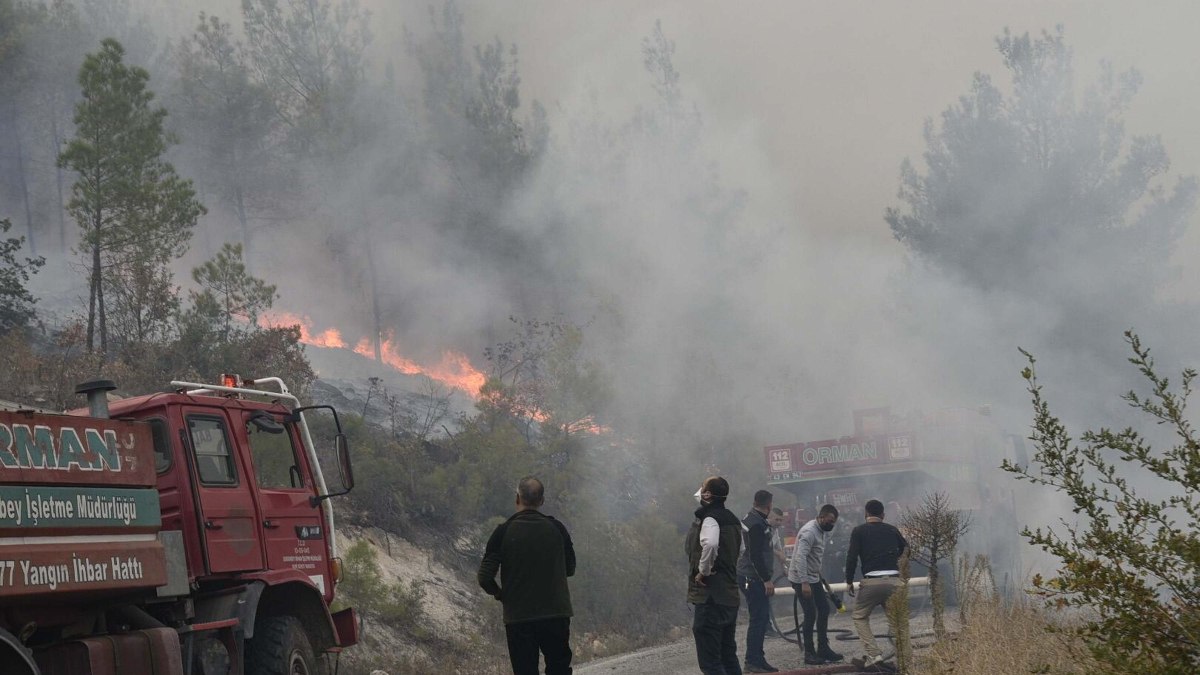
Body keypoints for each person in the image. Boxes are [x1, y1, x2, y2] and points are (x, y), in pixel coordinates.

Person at [478, 476, 576, 675]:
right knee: (559, 669)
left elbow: (484, 578)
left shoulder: (503, 532)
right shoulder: (557, 529)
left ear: (517, 499)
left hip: (519, 619)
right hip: (556, 614)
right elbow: (570, 569)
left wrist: (499, 594)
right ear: (541, 501)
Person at [686, 476, 744, 675]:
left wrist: (704, 571)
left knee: (711, 662)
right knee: (728, 656)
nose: (700, 490)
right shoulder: (733, 520)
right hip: (729, 596)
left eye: (702, 488)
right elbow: (741, 550)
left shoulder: (710, 519)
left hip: (711, 598)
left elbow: (710, 544)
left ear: (708, 494)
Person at [845, 499, 907, 673]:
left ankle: (874, 655)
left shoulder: (858, 531)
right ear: (883, 515)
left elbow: (851, 557)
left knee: (859, 616)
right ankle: (904, 657)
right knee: (897, 620)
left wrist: (849, 580)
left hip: (871, 582)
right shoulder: (892, 529)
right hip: (894, 581)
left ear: (865, 514)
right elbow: (905, 548)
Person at [787, 504, 842, 665]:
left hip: (813, 577)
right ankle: (809, 654)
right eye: (829, 521)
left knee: (824, 609)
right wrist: (804, 582)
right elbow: (800, 558)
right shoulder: (809, 532)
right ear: (821, 517)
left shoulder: (822, 531)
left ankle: (823, 648)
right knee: (810, 614)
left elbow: (814, 556)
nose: (831, 524)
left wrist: (817, 575)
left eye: (834, 522)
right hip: (800, 578)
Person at [736, 490, 779, 673]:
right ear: (769, 505)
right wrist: (767, 580)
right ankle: (752, 661)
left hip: (748, 576)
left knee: (761, 618)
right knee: (758, 619)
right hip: (751, 578)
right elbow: (755, 555)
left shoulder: (751, 519)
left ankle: (758, 658)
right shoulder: (756, 525)